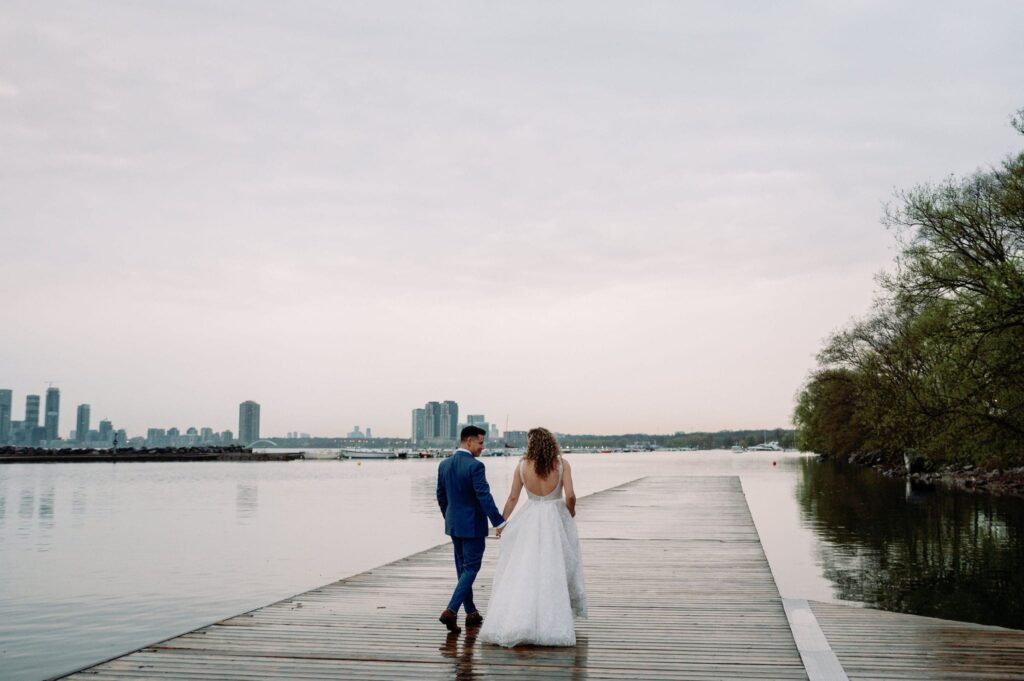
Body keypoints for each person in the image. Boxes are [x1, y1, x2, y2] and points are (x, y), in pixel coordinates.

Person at [478, 427, 587, 647]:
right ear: (551, 443)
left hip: (530, 517)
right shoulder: (562, 464)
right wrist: (571, 511)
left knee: (526, 568)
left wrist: (501, 522)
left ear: (531, 444)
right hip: (555, 517)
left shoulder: (521, 466)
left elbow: (513, 497)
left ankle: (521, 620)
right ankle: (551, 620)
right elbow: (571, 495)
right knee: (554, 567)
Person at [436, 425, 506, 633]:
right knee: (471, 569)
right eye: (481, 442)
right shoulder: (476, 466)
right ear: (469, 441)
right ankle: (451, 610)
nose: (482, 447)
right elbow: (484, 497)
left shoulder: (444, 464)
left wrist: (450, 517)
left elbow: (441, 496)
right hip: (473, 526)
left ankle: (471, 612)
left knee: (462, 570)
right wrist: (499, 522)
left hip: (454, 525)